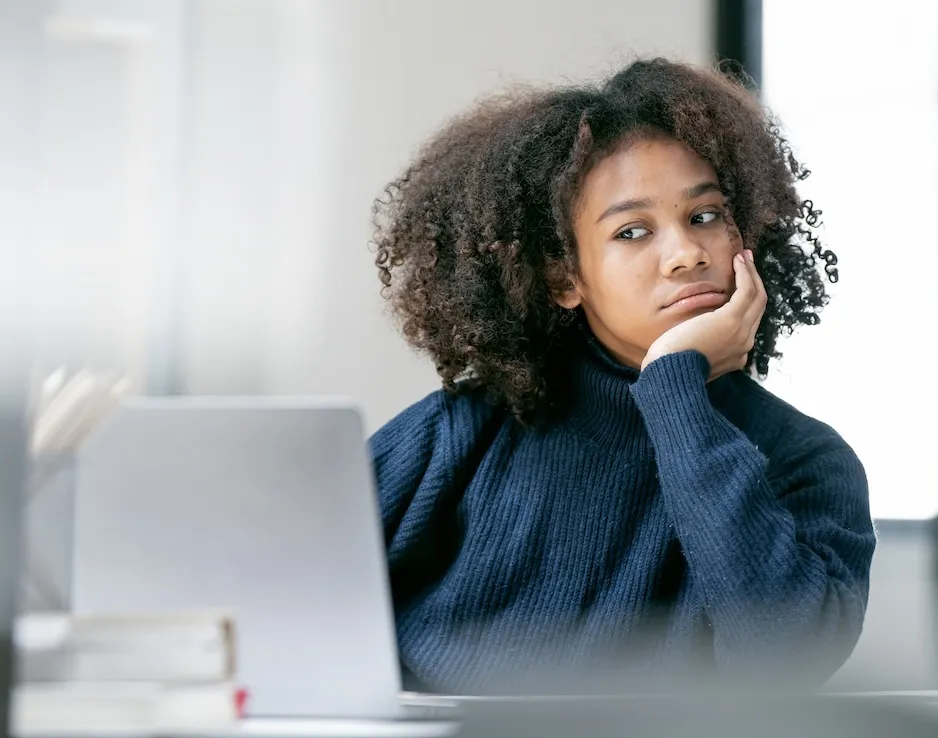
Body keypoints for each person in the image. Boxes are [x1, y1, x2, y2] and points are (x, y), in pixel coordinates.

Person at [368, 58, 875, 693]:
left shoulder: (802, 459)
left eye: (707, 216)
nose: (687, 253)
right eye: (633, 231)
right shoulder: (460, 434)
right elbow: (283, 602)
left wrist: (673, 387)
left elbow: (785, 658)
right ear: (563, 278)